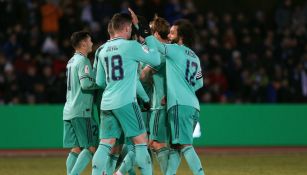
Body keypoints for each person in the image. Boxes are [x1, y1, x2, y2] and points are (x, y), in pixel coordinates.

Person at [131, 9, 205, 174]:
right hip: (193, 105)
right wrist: (184, 89)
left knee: (185, 146)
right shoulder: (195, 56)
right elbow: (199, 83)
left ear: (182, 36)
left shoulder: (174, 50)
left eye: (172, 33)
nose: (169, 36)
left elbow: (154, 43)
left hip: (179, 105)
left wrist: (139, 25)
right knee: (176, 147)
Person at [92, 13, 160, 175]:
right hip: (126, 102)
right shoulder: (131, 46)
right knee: (141, 142)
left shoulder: (102, 50)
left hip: (107, 102)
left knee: (105, 144)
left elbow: (100, 82)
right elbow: (156, 60)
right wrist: (147, 35)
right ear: (127, 28)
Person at [63, 31, 99, 175]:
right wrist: (101, 83)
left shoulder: (71, 61)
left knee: (76, 148)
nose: (91, 43)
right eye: (90, 41)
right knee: (91, 148)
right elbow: (85, 84)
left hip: (68, 110)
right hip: (82, 110)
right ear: (83, 43)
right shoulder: (83, 61)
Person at [140, 15, 170, 175]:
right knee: (152, 143)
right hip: (168, 101)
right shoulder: (173, 48)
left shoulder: (159, 52)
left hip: (160, 102)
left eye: (151, 32)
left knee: (156, 143)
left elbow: (143, 76)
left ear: (157, 34)